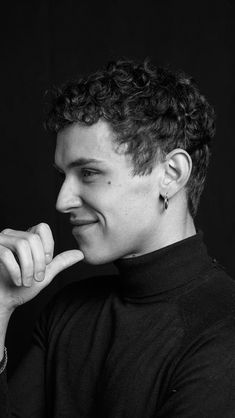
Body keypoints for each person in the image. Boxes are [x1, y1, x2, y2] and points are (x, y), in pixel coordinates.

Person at [0, 58, 234, 417]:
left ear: (171, 174)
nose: (62, 201)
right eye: (63, 175)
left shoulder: (223, 332)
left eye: (89, 172)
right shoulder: (67, 311)